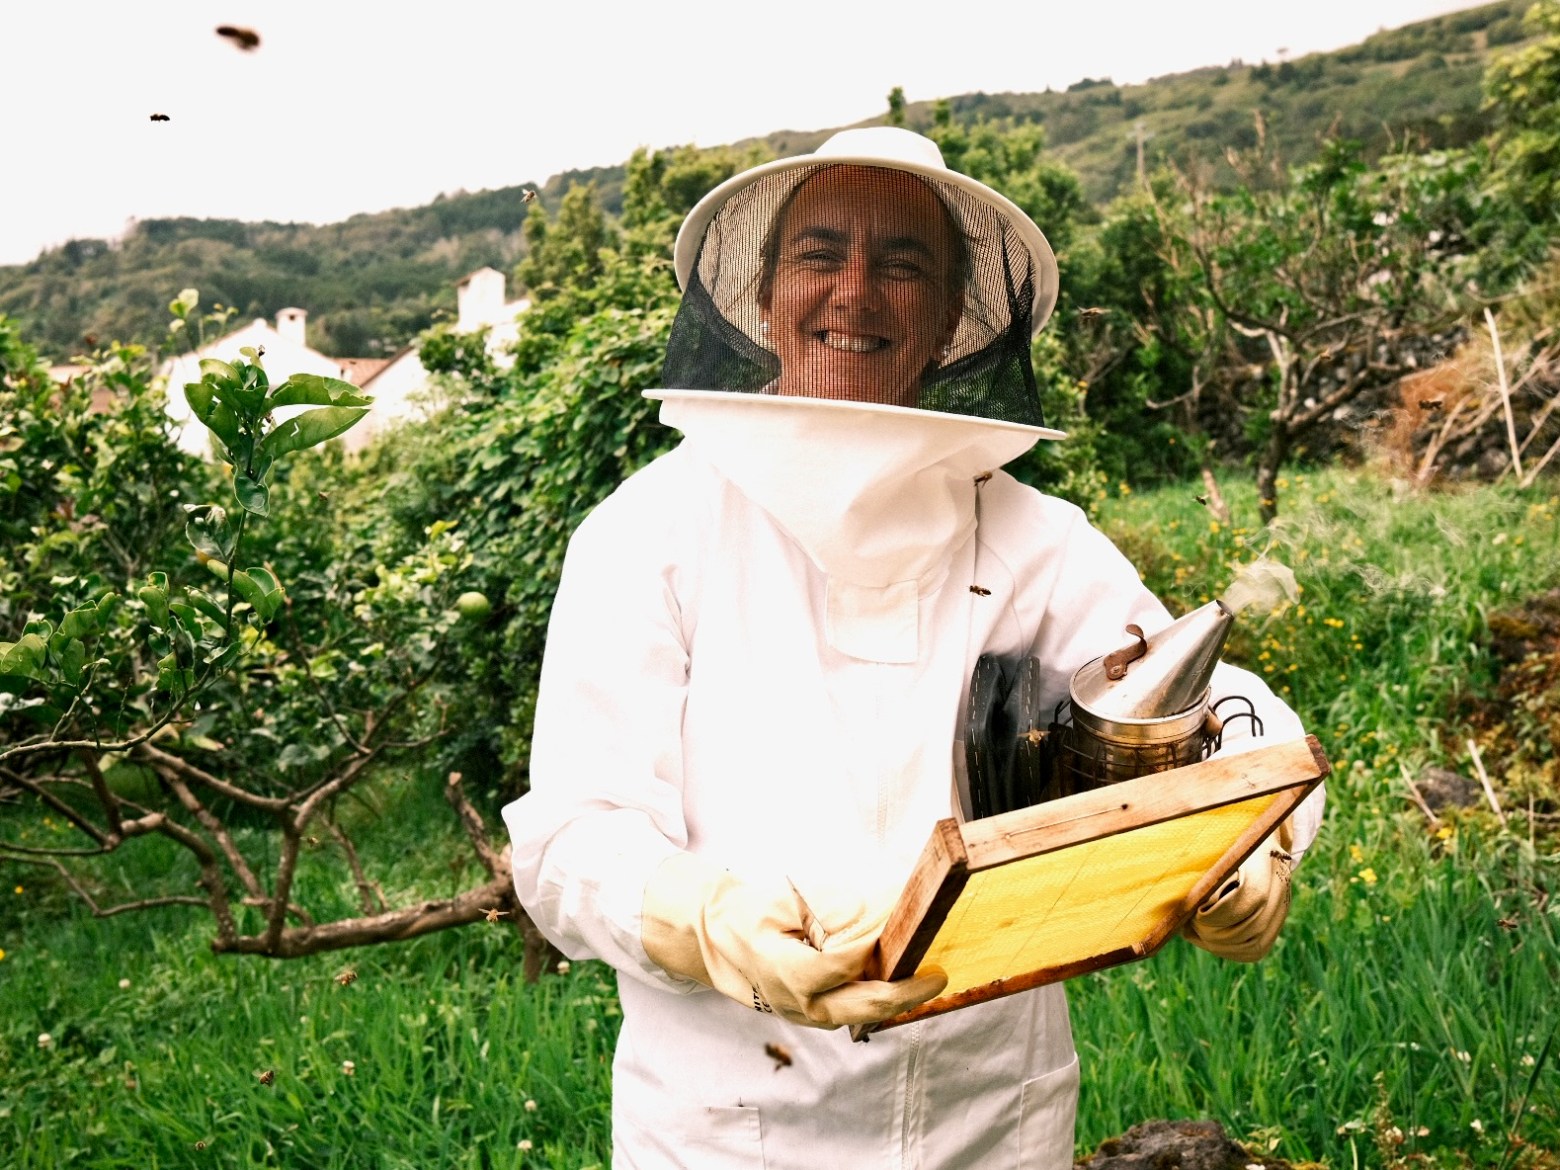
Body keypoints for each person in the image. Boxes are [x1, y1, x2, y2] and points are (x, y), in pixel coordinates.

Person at [504, 127, 1324, 1169]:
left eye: (903, 267)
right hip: (726, 1124)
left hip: (992, 1114)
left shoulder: (1034, 541)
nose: (856, 292)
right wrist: (705, 918)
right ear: (761, 295)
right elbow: (574, 837)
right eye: (820, 255)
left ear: (951, 321)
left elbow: (1199, 696)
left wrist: (1260, 838)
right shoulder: (646, 535)